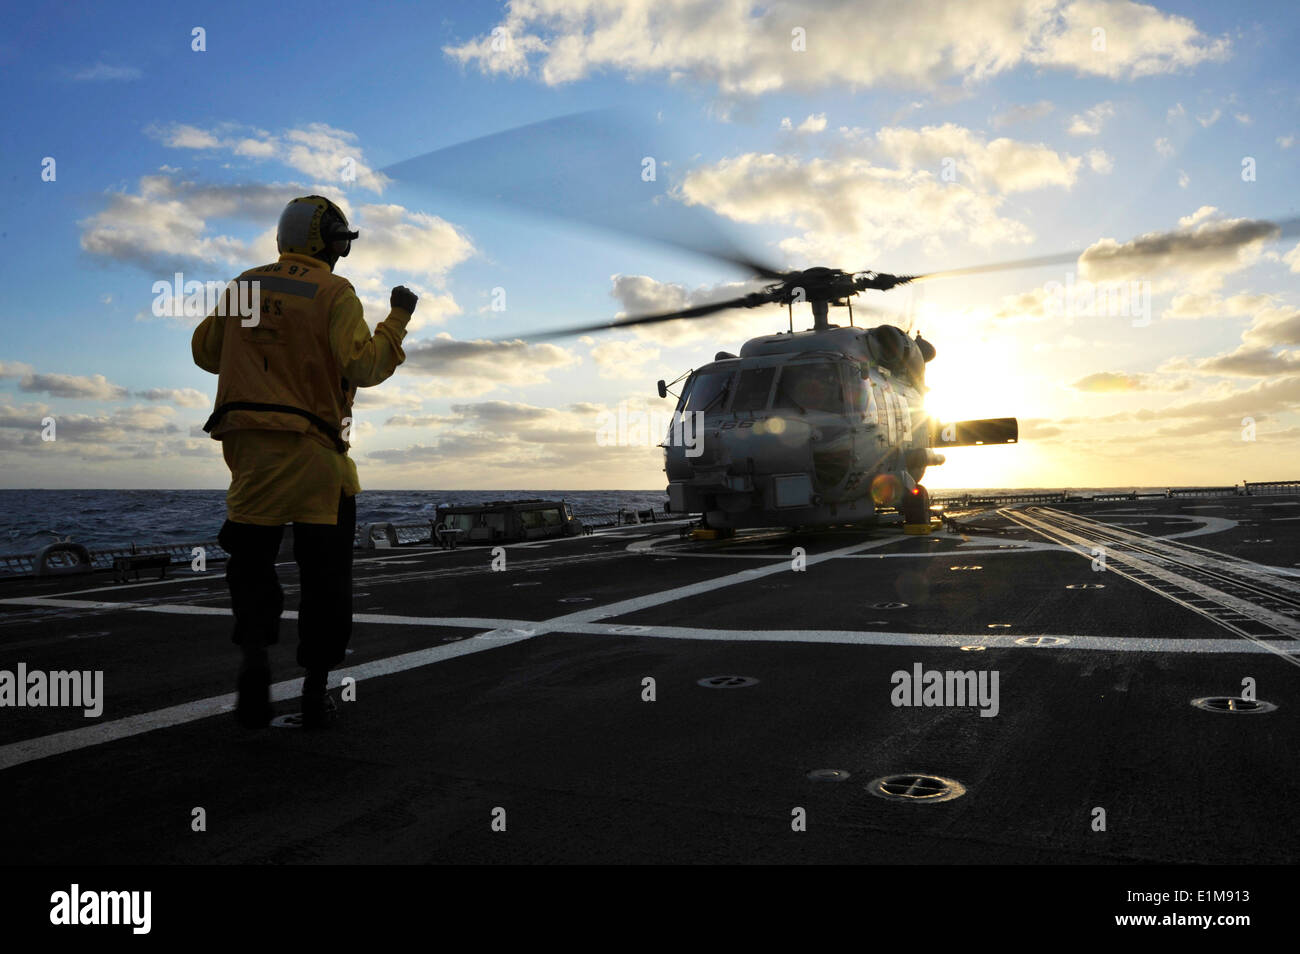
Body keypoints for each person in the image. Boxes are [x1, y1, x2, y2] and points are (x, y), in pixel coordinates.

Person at [192, 195, 418, 729]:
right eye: (341, 241)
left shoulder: (245, 284)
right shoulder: (334, 291)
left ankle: (253, 660)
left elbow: (205, 352)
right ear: (327, 242)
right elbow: (363, 366)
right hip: (316, 456)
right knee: (326, 579)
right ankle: (315, 691)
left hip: (249, 457)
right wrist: (398, 319)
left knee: (250, 567)